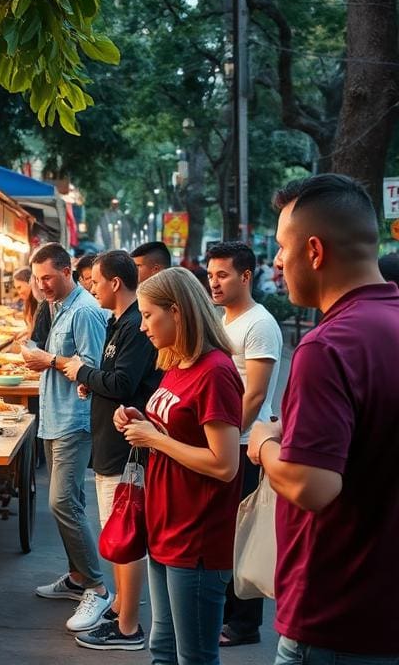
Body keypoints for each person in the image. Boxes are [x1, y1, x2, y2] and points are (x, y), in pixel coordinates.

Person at [248, 174, 399, 665]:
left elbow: (313, 487)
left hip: (334, 621)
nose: (275, 262)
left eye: (281, 248)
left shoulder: (327, 347)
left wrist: (265, 442)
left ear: (314, 251)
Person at [115, 266, 243, 665]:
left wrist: (155, 439)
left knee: (194, 657)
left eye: (149, 315)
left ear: (177, 311)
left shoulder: (216, 372)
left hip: (197, 536)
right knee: (163, 649)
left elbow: (224, 464)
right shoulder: (177, 364)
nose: (143, 327)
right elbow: (181, 431)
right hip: (165, 527)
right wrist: (145, 421)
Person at [62, 250, 161, 651]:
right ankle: (121, 607)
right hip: (110, 445)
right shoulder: (119, 321)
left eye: (95, 281)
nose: (91, 287)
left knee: (125, 537)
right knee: (117, 532)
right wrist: (94, 381)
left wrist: (80, 372)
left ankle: (128, 628)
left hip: (124, 450)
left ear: (115, 283)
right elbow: (116, 379)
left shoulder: (135, 324)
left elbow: (123, 383)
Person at [22, 244, 111, 633]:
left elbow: (94, 371)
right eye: (37, 279)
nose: (42, 286)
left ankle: (96, 586)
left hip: (75, 421)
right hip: (54, 417)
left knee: (63, 502)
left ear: (66, 271)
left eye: (48, 278)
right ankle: (77, 578)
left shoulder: (86, 311)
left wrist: (49, 361)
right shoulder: (56, 306)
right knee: (67, 501)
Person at [206, 241, 283, 648]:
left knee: (242, 531)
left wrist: (227, 434)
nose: (214, 282)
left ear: (246, 276)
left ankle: (244, 624)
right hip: (226, 443)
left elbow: (255, 395)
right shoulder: (221, 320)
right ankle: (227, 615)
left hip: (246, 445)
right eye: (211, 274)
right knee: (224, 531)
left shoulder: (260, 323)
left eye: (223, 275)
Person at [13, 267, 39, 331]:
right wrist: (26, 332)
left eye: (19, 287)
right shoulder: (28, 301)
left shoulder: (40, 304)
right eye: (16, 289)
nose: (19, 292)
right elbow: (31, 328)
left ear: (30, 282)